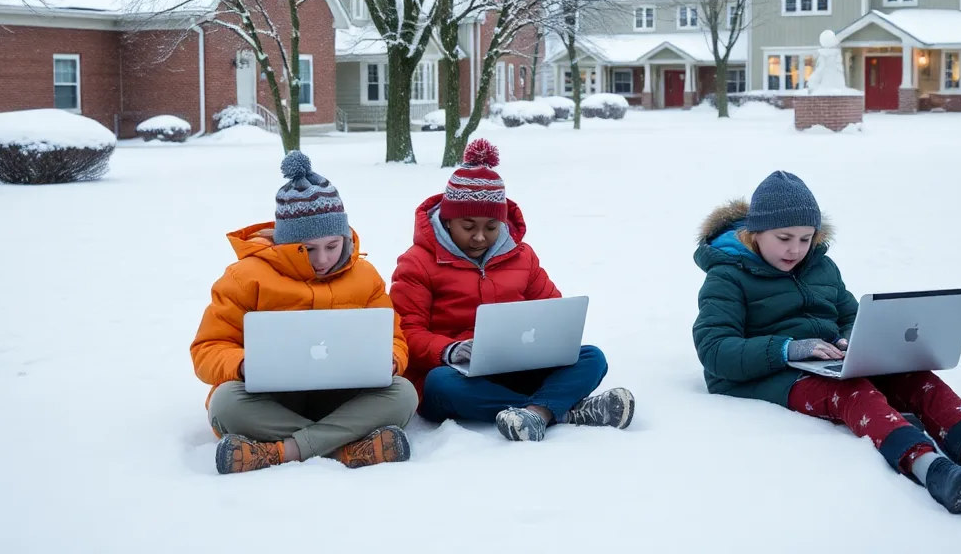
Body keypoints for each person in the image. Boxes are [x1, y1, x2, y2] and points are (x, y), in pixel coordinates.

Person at [692, 170, 961, 514]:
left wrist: (853, 339)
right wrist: (789, 349)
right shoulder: (727, 276)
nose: (796, 249)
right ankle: (932, 470)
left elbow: (850, 314)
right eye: (784, 239)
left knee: (917, 377)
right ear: (755, 233)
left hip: (821, 360)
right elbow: (713, 351)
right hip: (760, 374)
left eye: (806, 238)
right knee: (854, 392)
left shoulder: (821, 267)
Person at [390, 138, 634, 442]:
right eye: (469, 227)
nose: (480, 237)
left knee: (592, 357)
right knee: (439, 385)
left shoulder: (522, 256)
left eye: (491, 227)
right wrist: (450, 350)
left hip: (518, 369)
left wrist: (548, 342)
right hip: (455, 375)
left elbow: (552, 312)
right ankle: (561, 411)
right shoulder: (417, 263)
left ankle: (535, 413)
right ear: (449, 219)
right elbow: (406, 331)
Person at [191, 151, 417, 474]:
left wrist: (392, 359)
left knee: (404, 394)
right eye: (308, 249)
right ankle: (346, 449)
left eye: (332, 245)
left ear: (344, 236)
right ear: (285, 243)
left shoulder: (365, 276)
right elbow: (206, 349)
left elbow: (394, 338)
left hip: (344, 394)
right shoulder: (245, 277)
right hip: (273, 399)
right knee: (225, 404)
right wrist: (242, 365)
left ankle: (280, 452)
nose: (322, 259)